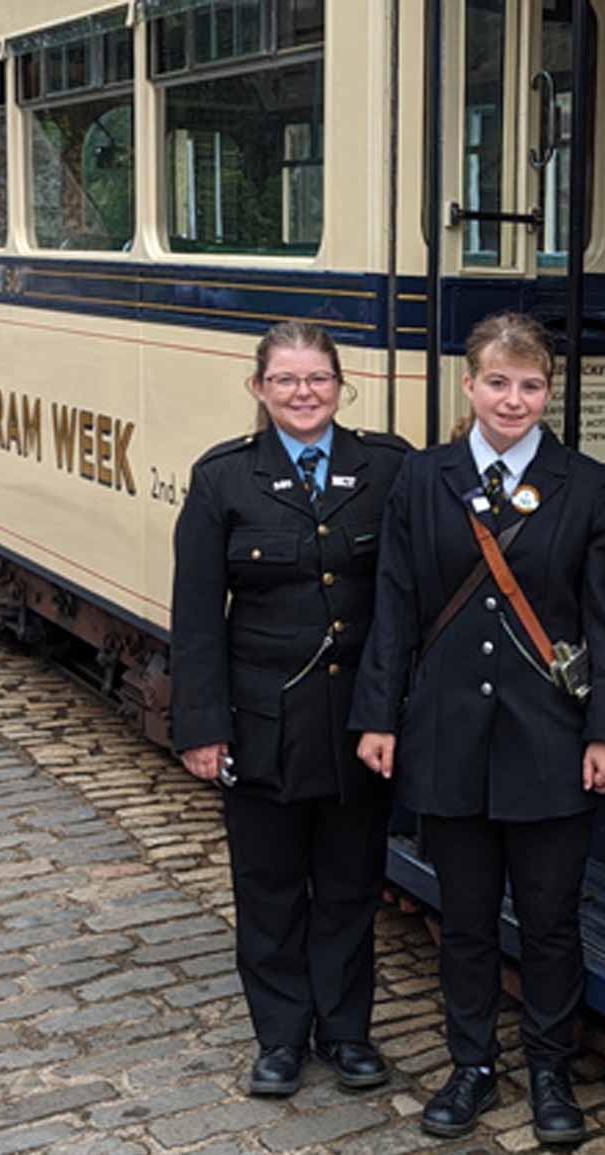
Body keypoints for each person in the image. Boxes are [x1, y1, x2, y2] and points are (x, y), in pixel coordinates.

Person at [351, 312, 605, 1145]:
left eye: (531, 385)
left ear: (548, 392)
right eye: (498, 382)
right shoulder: (423, 478)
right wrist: (378, 715)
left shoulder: (586, 483)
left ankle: (552, 1070)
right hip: (446, 735)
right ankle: (471, 1064)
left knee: (549, 920)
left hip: (550, 737)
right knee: (466, 919)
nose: (514, 400)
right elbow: (394, 605)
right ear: (469, 386)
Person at [170, 321, 408, 1097]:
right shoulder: (223, 480)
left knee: (348, 884)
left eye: (317, 379)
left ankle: (345, 1032)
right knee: (268, 887)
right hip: (262, 722)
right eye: (286, 381)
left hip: (354, 725)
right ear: (258, 388)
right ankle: (278, 1036)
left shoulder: (386, 468)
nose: (303, 394)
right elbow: (198, 617)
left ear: (342, 385)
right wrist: (202, 726)